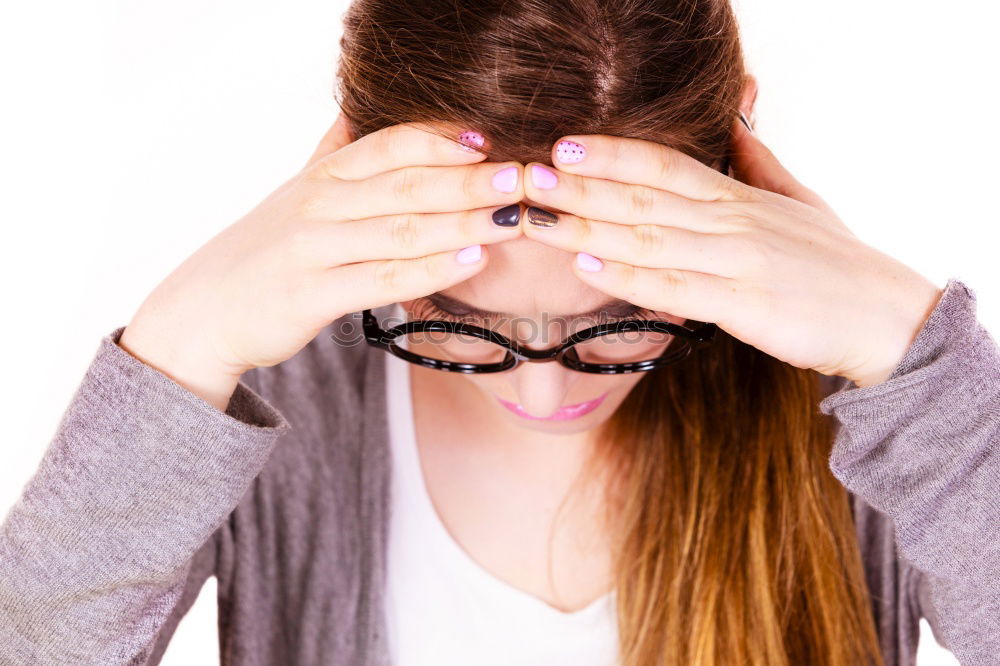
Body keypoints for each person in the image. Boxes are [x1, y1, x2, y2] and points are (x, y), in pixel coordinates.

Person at [1, 0, 997, 664]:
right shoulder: (269, 404)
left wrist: (914, 351)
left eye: (622, 322)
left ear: (733, 151)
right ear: (349, 160)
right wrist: (178, 348)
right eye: (456, 324)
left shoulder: (878, 413)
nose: (541, 393)